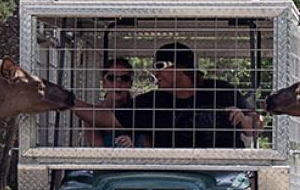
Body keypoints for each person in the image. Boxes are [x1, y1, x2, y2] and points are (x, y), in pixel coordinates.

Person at [72, 42, 262, 148]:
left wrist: (245, 120)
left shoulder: (222, 91)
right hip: (168, 170)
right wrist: (67, 101)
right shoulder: (153, 101)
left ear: (181, 68)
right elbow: (106, 119)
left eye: (161, 66)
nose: (156, 73)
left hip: (223, 171)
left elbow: (256, 127)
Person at [84, 57, 139, 148]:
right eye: (111, 78)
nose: (118, 84)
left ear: (131, 83)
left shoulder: (140, 111)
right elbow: (99, 150)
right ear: (104, 83)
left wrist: (133, 148)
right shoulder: (93, 115)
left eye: (124, 78)